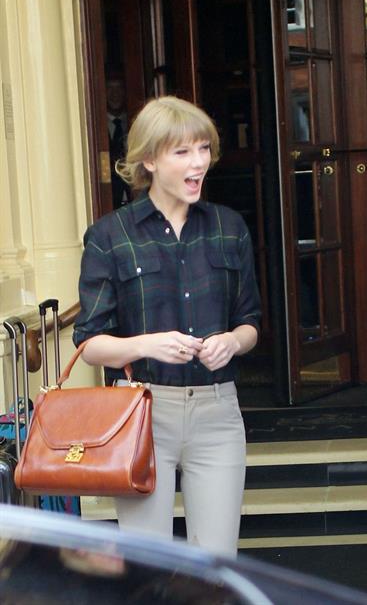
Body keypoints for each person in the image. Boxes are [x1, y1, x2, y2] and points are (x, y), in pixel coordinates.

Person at [73, 96, 261, 556]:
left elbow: (250, 323)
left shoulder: (228, 226)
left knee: (217, 565)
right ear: (149, 160)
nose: (198, 163)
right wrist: (147, 345)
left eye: (203, 149)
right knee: (147, 564)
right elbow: (89, 344)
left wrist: (231, 343)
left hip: (218, 412)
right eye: (183, 152)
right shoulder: (109, 236)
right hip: (141, 416)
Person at [106, 73, 131, 209]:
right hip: (109, 203)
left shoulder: (135, 123)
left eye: (119, 88)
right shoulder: (97, 127)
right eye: (109, 88)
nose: (114, 94)